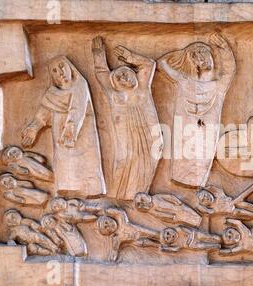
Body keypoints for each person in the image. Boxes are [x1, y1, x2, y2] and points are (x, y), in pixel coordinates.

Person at [158, 32, 236, 187]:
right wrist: (182, 54)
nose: (204, 59)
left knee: (201, 162)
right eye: (198, 57)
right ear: (194, 63)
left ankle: (198, 186)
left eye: (206, 54)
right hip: (185, 132)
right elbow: (162, 63)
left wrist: (225, 48)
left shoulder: (218, 86)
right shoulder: (184, 81)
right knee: (183, 162)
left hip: (207, 133)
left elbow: (230, 70)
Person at [21, 56, 106, 198]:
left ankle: (91, 194)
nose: (60, 72)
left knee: (86, 166)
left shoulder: (80, 86)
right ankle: (68, 197)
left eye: (62, 66)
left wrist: (70, 129)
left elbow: (77, 109)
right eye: (54, 70)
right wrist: (33, 129)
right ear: (52, 76)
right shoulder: (51, 94)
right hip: (61, 139)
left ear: (70, 68)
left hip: (82, 137)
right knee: (65, 167)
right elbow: (42, 116)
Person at [92, 36, 163, 201]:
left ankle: (139, 194)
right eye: (119, 78)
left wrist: (130, 57)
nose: (124, 78)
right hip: (125, 133)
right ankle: (118, 195)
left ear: (133, 73)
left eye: (125, 73)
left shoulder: (142, 86)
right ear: (115, 85)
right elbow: (101, 72)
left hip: (148, 133)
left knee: (150, 159)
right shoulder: (114, 94)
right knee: (124, 160)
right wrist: (98, 55)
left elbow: (149, 65)